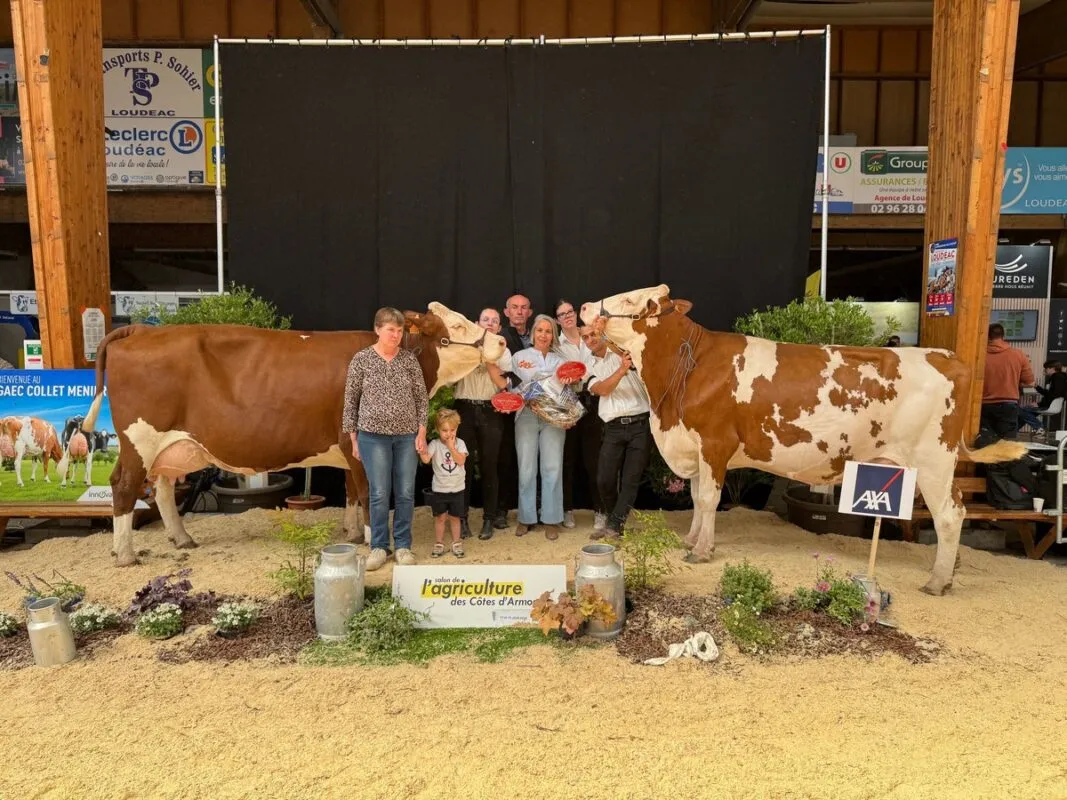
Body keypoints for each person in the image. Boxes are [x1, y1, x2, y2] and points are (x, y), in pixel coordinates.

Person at [342, 307, 429, 571]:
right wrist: (354, 440)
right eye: (391, 329)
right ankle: (379, 547)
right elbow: (350, 401)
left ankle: (403, 546)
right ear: (378, 329)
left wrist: (422, 433)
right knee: (379, 493)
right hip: (372, 438)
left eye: (400, 330)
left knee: (404, 493)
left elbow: (421, 398)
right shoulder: (362, 359)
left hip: (406, 437)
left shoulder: (409, 361)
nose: (396, 334)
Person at [511, 314, 581, 539]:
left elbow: (567, 391)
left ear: (553, 335)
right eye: (540, 330)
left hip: (554, 418)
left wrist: (570, 412)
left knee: (552, 467)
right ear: (533, 333)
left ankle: (551, 519)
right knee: (526, 468)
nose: (543, 335)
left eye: (548, 331)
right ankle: (526, 518)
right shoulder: (519, 357)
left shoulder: (560, 361)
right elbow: (512, 386)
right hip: (526, 416)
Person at [586, 327, 652, 540]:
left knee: (630, 481)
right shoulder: (588, 365)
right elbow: (602, 390)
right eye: (585, 336)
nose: (590, 339)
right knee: (604, 479)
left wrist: (626, 362)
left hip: (640, 424)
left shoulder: (624, 351)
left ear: (602, 334)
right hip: (613, 427)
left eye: (593, 333)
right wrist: (622, 370)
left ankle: (614, 525)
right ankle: (616, 521)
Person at [453, 307, 513, 539]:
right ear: (477, 323)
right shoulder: (462, 348)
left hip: (491, 409)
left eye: (494, 321)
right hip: (464, 409)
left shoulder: (503, 350)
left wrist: (488, 357)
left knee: (490, 466)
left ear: (499, 327)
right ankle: (463, 518)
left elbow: (503, 385)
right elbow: (453, 375)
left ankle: (489, 518)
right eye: (485, 319)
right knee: (463, 466)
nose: (490, 323)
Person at [555, 299, 596, 528]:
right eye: (562, 314)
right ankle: (567, 509)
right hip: (569, 400)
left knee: (594, 459)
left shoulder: (590, 335)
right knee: (567, 459)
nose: (568, 316)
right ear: (558, 320)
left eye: (570, 311)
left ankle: (600, 510)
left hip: (594, 399)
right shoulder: (556, 345)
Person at [420, 408, 468, 559]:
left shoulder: (460, 444)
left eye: (452, 430)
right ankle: (439, 542)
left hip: (457, 489)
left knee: (455, 518)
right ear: (437, 430)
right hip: (440, 489)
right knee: (440, 517)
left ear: (457, 429)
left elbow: (460, 460)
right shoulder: (434, 444)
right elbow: (426, 459)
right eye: (444, 430)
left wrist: (451, 447)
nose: (448, 434)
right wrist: (421, 448)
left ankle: (456, 542)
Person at [980, 323, 1034, 441]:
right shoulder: (1018, 355)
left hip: (983, 405)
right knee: (1007, 445)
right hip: (1008, 405)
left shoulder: (979, 356)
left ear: (987, 337)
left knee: (985, 443)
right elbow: (1030, 382)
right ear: (1003, 336)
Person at [1020, 360, 1067, 434]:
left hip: (1048, 406)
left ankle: (1039, 428)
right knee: (1024, 413)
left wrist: (1039, 404)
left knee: (1022, 410)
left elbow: (1055, 395)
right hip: (1047, 404)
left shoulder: (1058, 378)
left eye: (1046, 368)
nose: (1045, 370)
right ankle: (1014, 430)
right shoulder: (1055, 378)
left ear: (1052, 368)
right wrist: (1036, 386)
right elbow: (1048, 394)